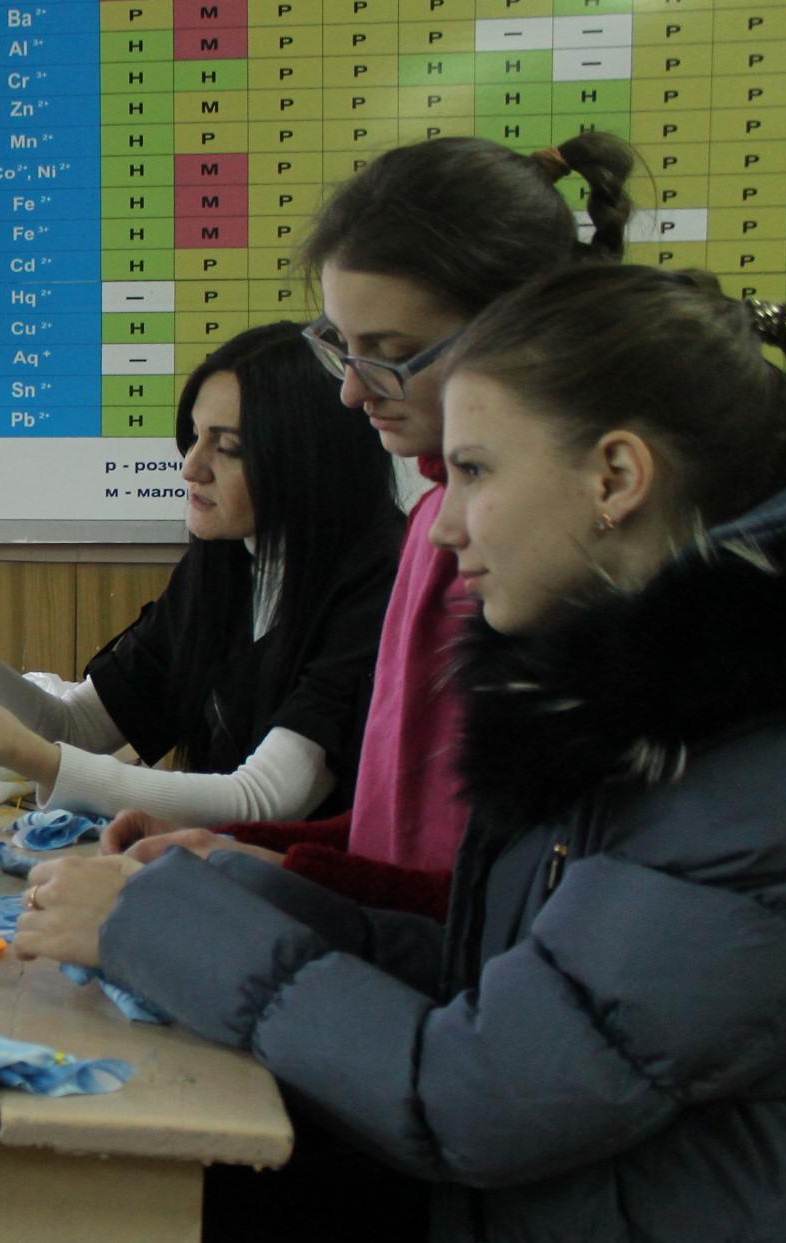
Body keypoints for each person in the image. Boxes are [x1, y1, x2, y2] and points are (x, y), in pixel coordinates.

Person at [29, 264, 786, 1243]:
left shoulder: (751, 772)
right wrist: (242, 893)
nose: (440, 534)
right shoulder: (634, 706)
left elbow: (480, 1096)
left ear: (616, 477)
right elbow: (509, 980)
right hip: (555, 1239)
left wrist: (155, 927)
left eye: (476, 472)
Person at [107, 131, 637, 916]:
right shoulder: (433, 524)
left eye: (388, 353)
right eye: (340, 348)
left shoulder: (543, 557)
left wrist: (260, 871)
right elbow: (406, 833)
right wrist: (245, 849)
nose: (351, 393)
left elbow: (492, 903)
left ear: (513, 333)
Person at [0, 323, 401, 824]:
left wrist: (35, 759)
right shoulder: (226, 563)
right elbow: (75, 727)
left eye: (228, 447)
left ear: (308, 460)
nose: (191, 467)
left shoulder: (377, 585)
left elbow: (264, 799)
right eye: (193, 436)